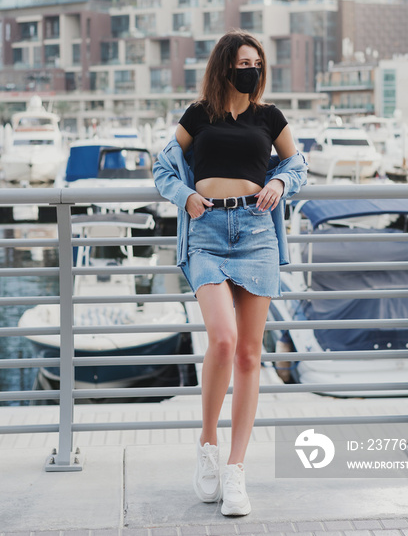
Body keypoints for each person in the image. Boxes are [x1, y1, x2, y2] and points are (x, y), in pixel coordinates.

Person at [153, 30, 307, 517]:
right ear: (225, 66)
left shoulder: (270, 117)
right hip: (207, 230)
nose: (252, 69)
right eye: (243, 61)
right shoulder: (199, 115)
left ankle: (236, 471)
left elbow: (298, 162)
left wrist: (281, 179)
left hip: (257, 233)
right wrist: (186, 196)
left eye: (257, 62)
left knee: (248, 353)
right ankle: (207, 445)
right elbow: (162, 168)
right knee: (221, 339)